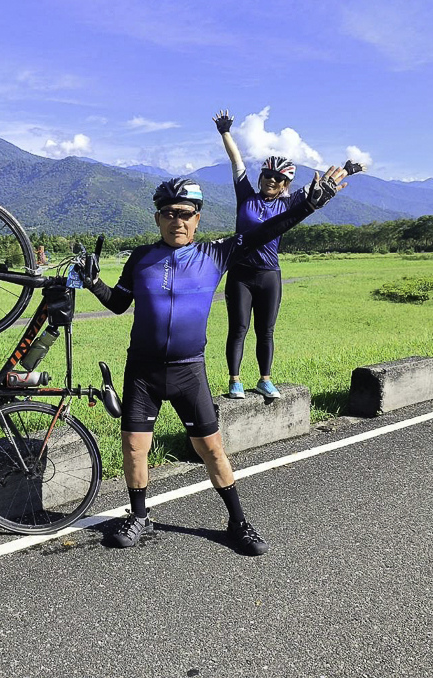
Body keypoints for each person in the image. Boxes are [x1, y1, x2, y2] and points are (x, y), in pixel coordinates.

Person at [79, 167, 350, 555]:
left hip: (189, 370)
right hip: (143, 371)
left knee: (212, 450)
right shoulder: (140, 258)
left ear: (197, 219)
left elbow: (267, 230)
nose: (177, 220)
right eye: (169, 213)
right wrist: (94, 284)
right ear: (158, 218)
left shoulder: (215, 252)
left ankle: (238, 521)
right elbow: (119, 304)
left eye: (185, 213)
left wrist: (308, 203)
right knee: (134, 449)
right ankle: (139, 515)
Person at [214, 109, 359, 400]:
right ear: (261, 176)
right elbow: (236, 161)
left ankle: (265, 379)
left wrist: (347, 170)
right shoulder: (246, 195)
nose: (271, 180)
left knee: (265, 331)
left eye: (278, 178)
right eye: (267, 175)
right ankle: (235, 381)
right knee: (238, 329)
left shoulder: (289, 202)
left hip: (269, 274)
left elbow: (320, 189)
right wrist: (225, 132)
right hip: (240, 274)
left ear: (285, 184)